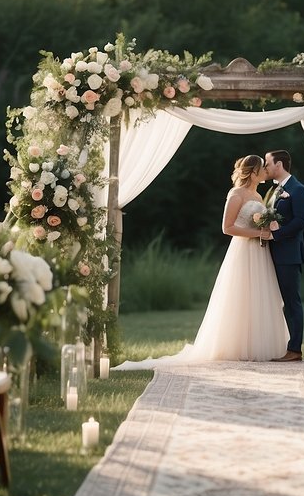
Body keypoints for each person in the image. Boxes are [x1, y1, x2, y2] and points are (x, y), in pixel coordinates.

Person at [113, 154, 289, 370]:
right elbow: (227, 228)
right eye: (262, 167)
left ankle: (257, 346)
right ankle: (235, 346)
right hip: (243, 251)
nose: (265, 171)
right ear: (253, 172)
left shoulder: (259, 196)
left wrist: (265, 230)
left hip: (260, 253)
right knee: (240, 294)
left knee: (258, 295)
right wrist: (255, 234)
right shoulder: (236, 194)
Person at [260, 149, 304, 362]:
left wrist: (275, 235)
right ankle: (277, 344)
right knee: (275, 301)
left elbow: (301, 222)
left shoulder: (299, 190)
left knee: (291, 302)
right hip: (270, 254)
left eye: (267, 163)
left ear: (279, 165)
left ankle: (295, 349)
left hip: (288, 255)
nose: (265, 167)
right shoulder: (275, 191)